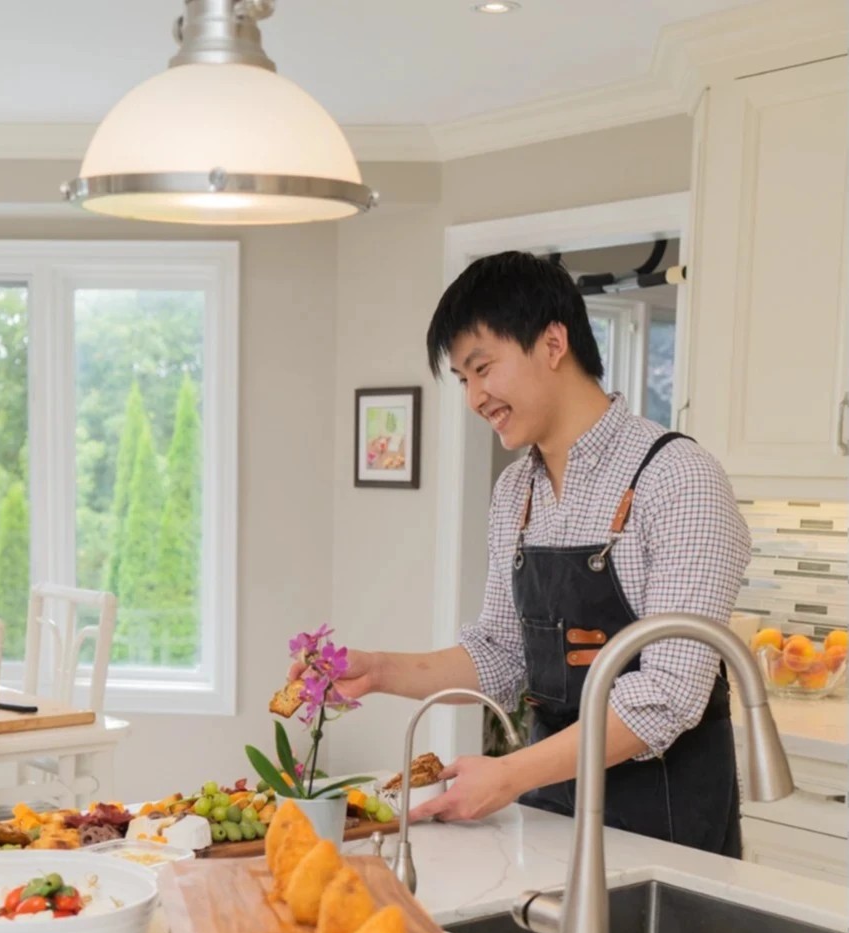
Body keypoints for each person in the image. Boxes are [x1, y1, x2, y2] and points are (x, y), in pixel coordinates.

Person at [298, 252, 752, 854]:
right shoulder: (518, 490)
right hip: (552, 809)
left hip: (667, 826)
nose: (474, 397)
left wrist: (511, 773)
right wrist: (378, 671)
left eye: (482, 368)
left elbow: (669, 695)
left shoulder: (679, 479)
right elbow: (501, 655)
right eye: (463, 379)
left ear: (553, 342)